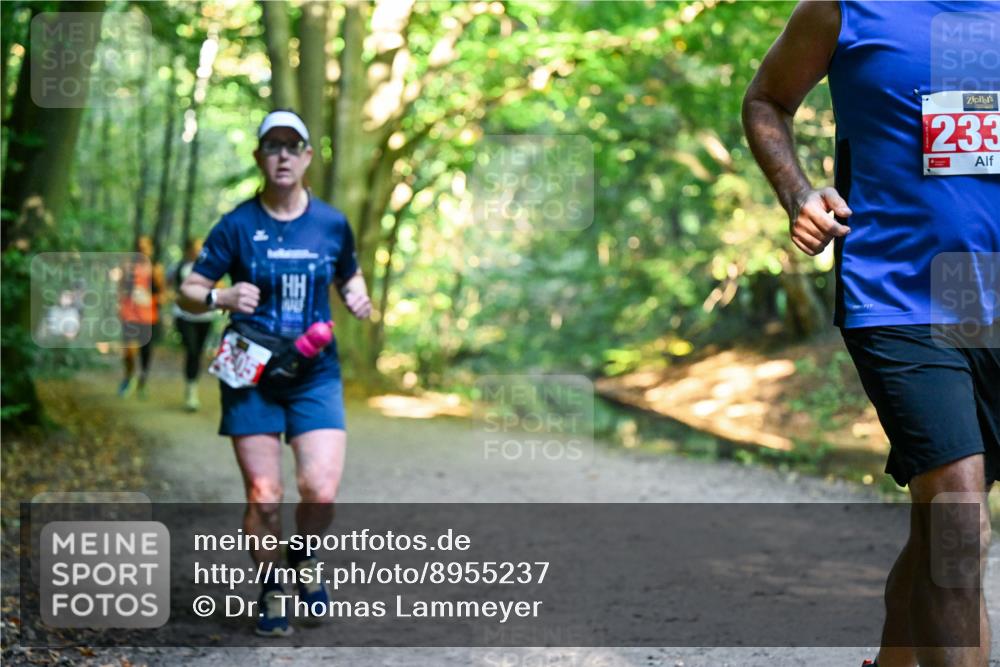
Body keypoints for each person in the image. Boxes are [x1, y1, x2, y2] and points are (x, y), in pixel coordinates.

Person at [744, 3, 998, 666]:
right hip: (896, 289)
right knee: (958, 519)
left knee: (941, 522)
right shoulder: (845, 7)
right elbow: (766, 99)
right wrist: (798, 192)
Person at [179, 109, 372, 637]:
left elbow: (349, 272)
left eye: (293, 146)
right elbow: (189, 291)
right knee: (264, 496)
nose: (283, 155)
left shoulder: (331, 223)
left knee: (320, 489)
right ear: (259, 157)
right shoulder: (238, 224)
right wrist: (222, 296)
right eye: (273, 146)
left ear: (308, 156)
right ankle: (270, 585)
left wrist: (355, 293)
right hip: (250, 372)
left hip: (314, 373)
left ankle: (304, 563)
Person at [170, 238, 217, 411]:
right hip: (184, 316)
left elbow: (218, 286)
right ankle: (190, 390)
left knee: (197, 352)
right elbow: (171, 287)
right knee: (191, 350)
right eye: (196, 248)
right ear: (189, 249)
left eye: (201, 248)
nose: (198, 251)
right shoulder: (180, 267)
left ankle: (193, 388)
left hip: (205, 317)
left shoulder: (211, 266)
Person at [118, 235, 165, 399]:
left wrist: (150, 299)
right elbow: (120, 289)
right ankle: (128, 377)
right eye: (139, 246)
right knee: (128, 351)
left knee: (146, 352)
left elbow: (162, 294)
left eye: (145, 246)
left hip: (148, 316)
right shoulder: (127, 267)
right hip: (129, 314)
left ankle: (142, 383)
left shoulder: (156, 268)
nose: (142, 250)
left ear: (151, 249)